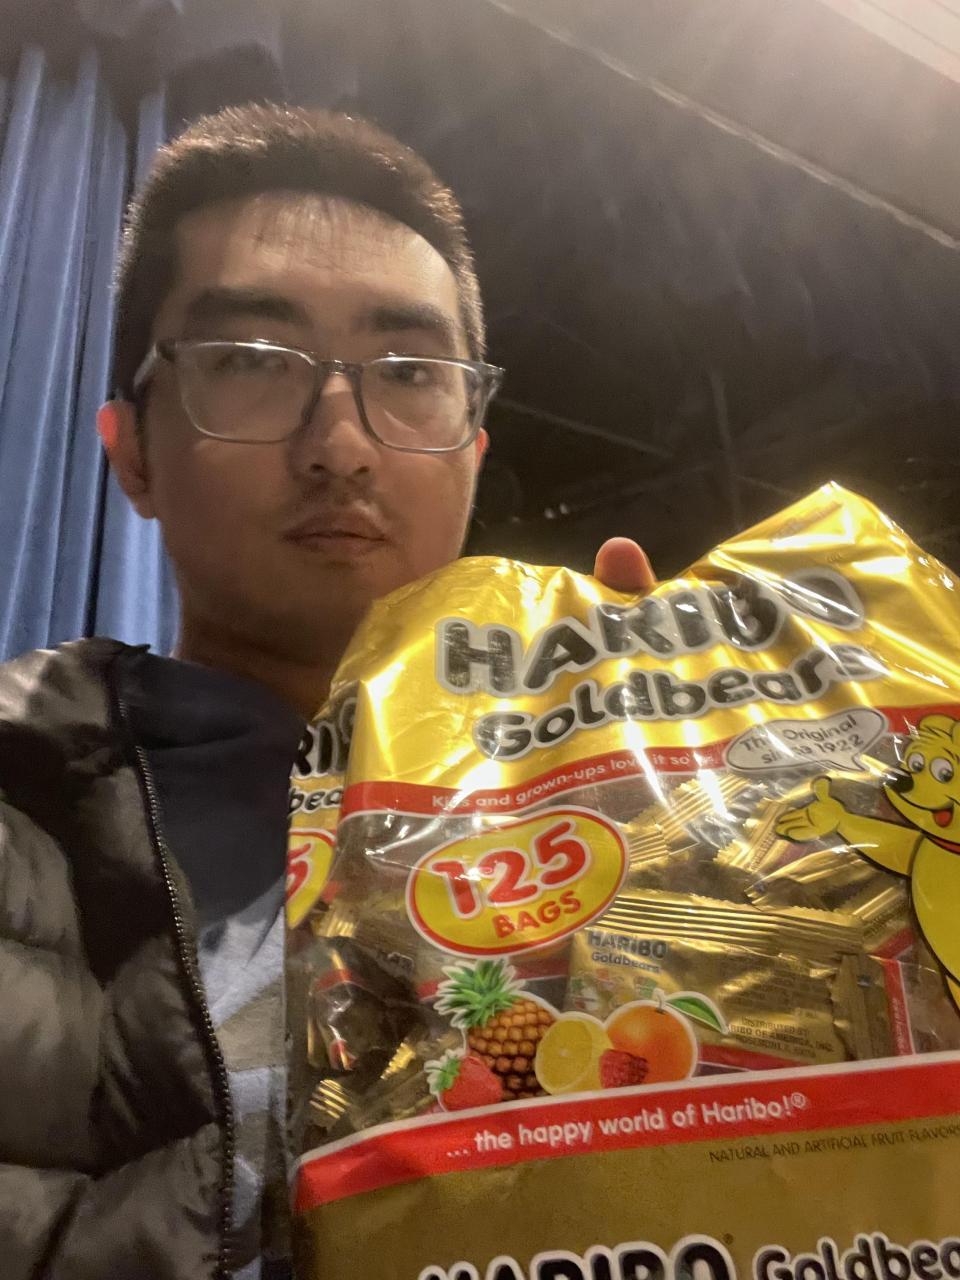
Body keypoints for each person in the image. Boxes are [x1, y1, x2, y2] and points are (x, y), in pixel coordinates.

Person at [0, 104, 653, 1279]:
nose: (341, 444)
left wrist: (709, 828)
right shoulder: (21, 807)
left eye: (410, 373)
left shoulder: (630, 784)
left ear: (470, 452)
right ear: (131, 449)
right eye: (252, 361)